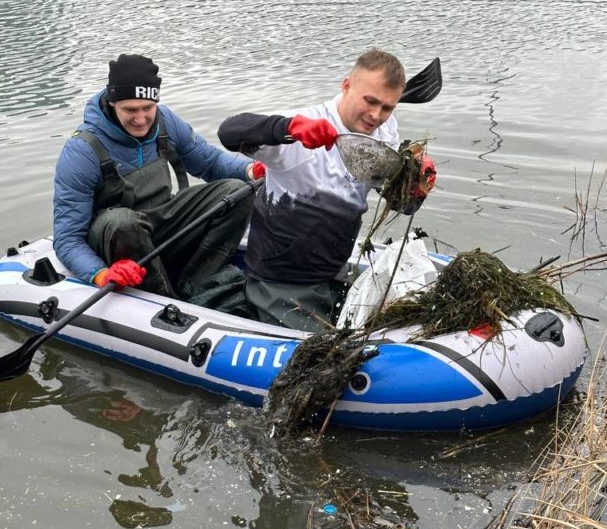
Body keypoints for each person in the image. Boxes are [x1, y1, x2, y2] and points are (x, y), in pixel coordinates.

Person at [217, 48, 437, 331]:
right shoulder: (300, 128)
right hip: (280, 279)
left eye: (387, 107)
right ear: (346, 86)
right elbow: (230, 131)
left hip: (334, 271)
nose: (376, 115)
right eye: (370, 101)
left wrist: (415, 184)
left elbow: (400, 205)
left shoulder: (385, 131)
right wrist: (288, 127)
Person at [53, 53, 265, 298]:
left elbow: (210, 162)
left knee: (237, 190)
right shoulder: (81, 151)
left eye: (147, 108)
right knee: (124, 222)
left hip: (161, 220)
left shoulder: (166, 121)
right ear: (112, 103)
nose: (141, 119)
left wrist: (251, 170)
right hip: (114, 236)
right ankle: (162, 297)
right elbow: (67, 238)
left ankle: (197, 285)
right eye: (130, 110)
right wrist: (100, 273)